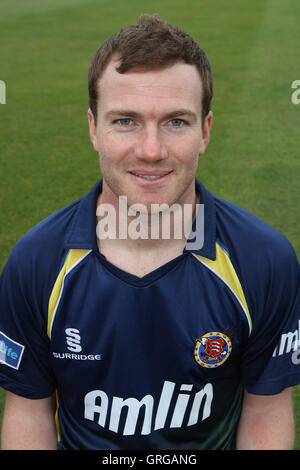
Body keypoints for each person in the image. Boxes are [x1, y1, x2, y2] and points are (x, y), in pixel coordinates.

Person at [0, 14, 299, 451]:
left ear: (205, 131)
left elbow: (267, 410)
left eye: (176, 121)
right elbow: (29, 412)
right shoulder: (36, 262)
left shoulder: (263, 259)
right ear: (93, 129)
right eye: (126, 121)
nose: (152, 150)